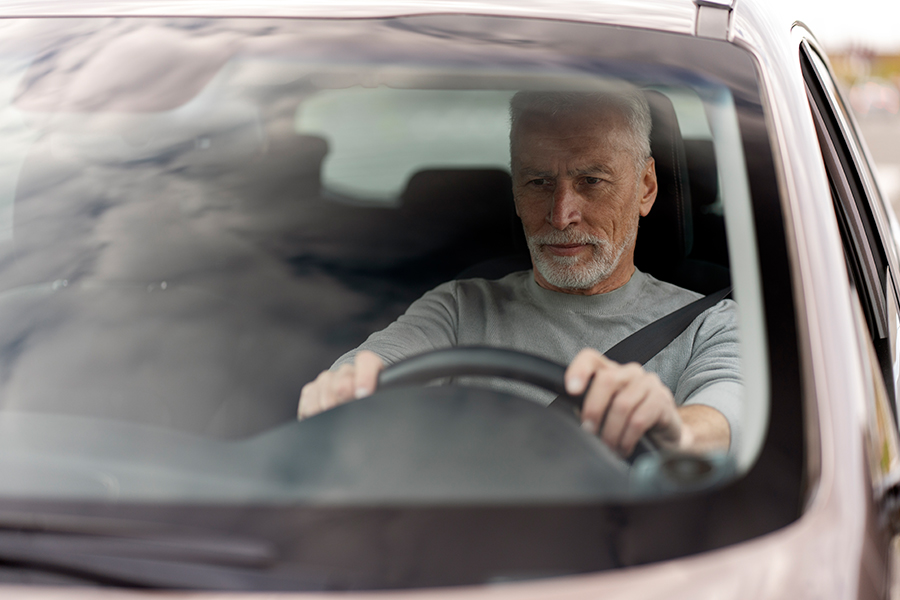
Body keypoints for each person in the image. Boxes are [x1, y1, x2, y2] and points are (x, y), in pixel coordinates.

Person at [298, 88, 741, 458]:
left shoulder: (711, 324)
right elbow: (375, 366)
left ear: (645, 188)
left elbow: (726, 413)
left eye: (591, 180)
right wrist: (342, 394)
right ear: (514, 191)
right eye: (539, 182)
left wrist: (672, 430)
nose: (561, 214)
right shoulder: (460, 307)